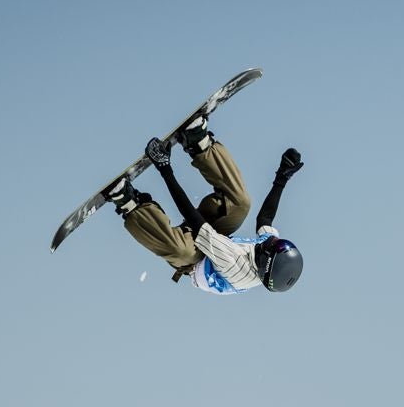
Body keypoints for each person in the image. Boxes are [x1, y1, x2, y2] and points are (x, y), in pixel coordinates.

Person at [103, 121, 305, 294]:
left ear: (263, 262)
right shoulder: (269, 249)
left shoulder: (235, 265)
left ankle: (131, 204)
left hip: (197, 261)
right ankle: (200, 143)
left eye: (269, 245)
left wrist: (165, 169)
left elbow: (191, 216)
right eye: (273, 241)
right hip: (217, 238)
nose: (269, 241)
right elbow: (265, 220)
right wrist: (282, 177)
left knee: (181, 251)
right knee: (241, 204)